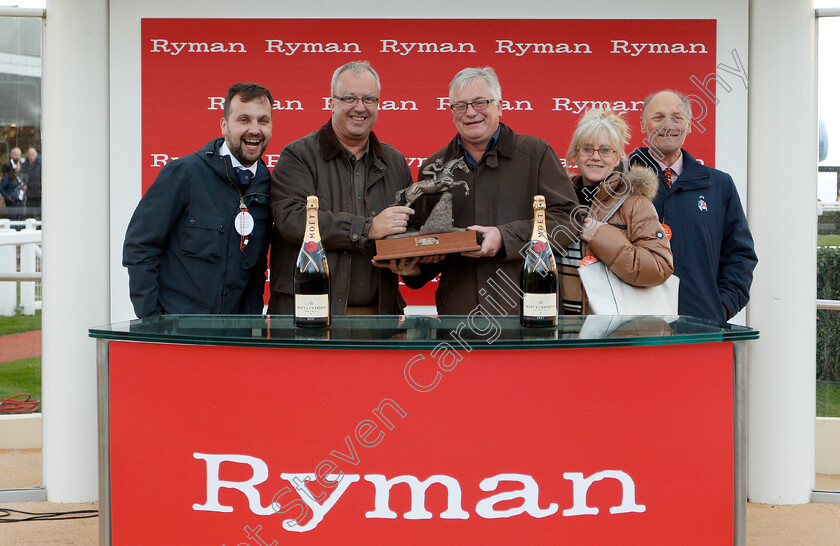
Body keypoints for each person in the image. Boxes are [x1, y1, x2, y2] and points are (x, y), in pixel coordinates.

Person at [400, 66, 580, 315]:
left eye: (480, 102)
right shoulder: (434, 167)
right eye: (460, 106)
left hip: (528, 309)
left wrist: (504, 238)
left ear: (500, 105)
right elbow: (429, 244)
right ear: (452, 111)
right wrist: (413, 268)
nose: (471, 113)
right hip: (459, 317)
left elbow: (568, 220)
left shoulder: (535, 154)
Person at [268, 61, 414, 315]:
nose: (360, 107)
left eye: (369, 99)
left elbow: (412, 226)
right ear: (332, 102)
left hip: (378, 320)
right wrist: (368, 228)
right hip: (308, 315)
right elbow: (293, 220)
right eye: (349, 98)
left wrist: (415, 261)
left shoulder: (395, 162)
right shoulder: (298, 155)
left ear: (378, 104)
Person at [123, 82, 274, 317]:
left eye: (263, 121)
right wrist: (153, 318)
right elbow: (140, 246)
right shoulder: (184, 173)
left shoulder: (268, 188)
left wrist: (251, 325)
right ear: (224, 125)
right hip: (178, 336)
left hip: (236, 340)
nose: (254, 129)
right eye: (243, 120)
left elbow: (255, 272)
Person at [629, 89, 757, 322]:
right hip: (634, 327)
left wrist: (722, 307)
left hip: (702, 326)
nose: (668, 125)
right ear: (643, 124)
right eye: (658, 117)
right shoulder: (621, 181)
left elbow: (740, 255)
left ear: (688, 125)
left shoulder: (719, 185)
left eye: (677, 118)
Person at [560, 109, 673, 314]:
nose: (595, 157)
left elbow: (659, 267)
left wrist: (603, 238)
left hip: (607, 330)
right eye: (587, 149)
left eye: (605, 150)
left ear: (617, 157)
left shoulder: (635, 204)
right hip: (560, 328)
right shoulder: (559, 201)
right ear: (575, 155)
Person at [1, 147, 24, 214]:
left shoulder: (22, 166)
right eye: (16, 155)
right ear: (12, 155)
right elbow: (3, 185)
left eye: (19, 155)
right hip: (11, 197)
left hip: (20, 197)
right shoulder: (7, 166)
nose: (18, 157)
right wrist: (8, 197)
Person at [20, 147, 41, 216]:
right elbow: (21, 177)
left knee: (40, 213)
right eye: (29, 154)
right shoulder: (23, 165)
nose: (31, 156)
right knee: (29, 214)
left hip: (38, 193)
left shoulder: (40, 165)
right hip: (28, 194)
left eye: (32, 154)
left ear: (36, 155)